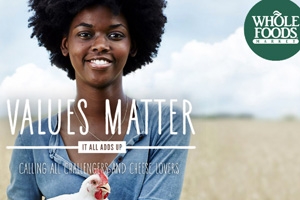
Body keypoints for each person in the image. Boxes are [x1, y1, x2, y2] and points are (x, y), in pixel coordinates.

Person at [7, 0, 191, 199]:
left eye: (115, 35)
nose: (101, 45)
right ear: (65, 45)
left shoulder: (166, 123)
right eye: (85, 34)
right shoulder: (32, 140)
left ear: (133, 45)